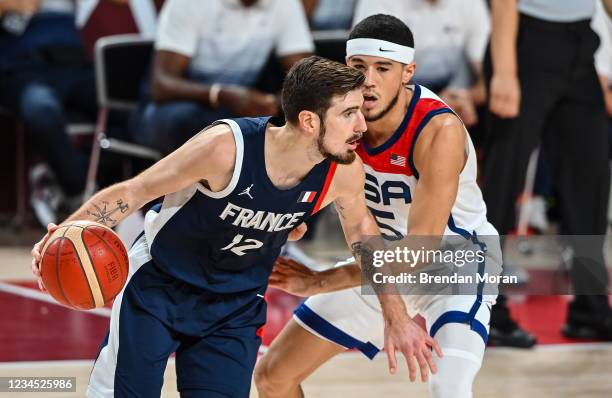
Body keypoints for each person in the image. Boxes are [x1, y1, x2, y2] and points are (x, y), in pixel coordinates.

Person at [31, 56, 439, 398]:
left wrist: (397, 317)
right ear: (310, 121)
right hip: (159, 288)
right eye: (349, 114)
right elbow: (133, 192)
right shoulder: (226, 147)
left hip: (235, 307)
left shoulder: (343, 174)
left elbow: (366, 244)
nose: (362, 127)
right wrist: (63, 234)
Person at [255, 14, 502, 398]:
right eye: (358, 67)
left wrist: (319, 281)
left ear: (407, 72)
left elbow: (421, 251)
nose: (368, 80)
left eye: (383, 68)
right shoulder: (333, 120)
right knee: (272, 375)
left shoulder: (438, 130)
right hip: (382, 263)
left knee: (448, 386)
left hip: (454, 264)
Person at [483, 0, 612, 342]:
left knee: (590, 183)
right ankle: (484, 308)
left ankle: (590, 307)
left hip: (581, 44)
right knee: (502, 184)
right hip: (525, 42)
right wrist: (505, 71)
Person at [135, 0, 314, 154]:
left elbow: (304, 76)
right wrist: (221, 95)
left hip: (238, 106)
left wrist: (275, 102)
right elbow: (161, 85)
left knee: (303, 114)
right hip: (169, 108)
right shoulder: (189, 3)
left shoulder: (285, 4)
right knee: (192, 123)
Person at [0, 0, 97, 225]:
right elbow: (26, 4)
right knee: (42, 111)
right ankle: (79, 189)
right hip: (24, 68)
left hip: (75, 66)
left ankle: (56, 172)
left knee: (128, 110)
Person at [352, 0, 490, 127]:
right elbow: (375, 73)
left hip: (458, 95)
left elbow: (488, 74)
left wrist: (468, 98)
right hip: (401, 96)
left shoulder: (472, 3)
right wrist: (434, 104)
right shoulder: (379, 3)